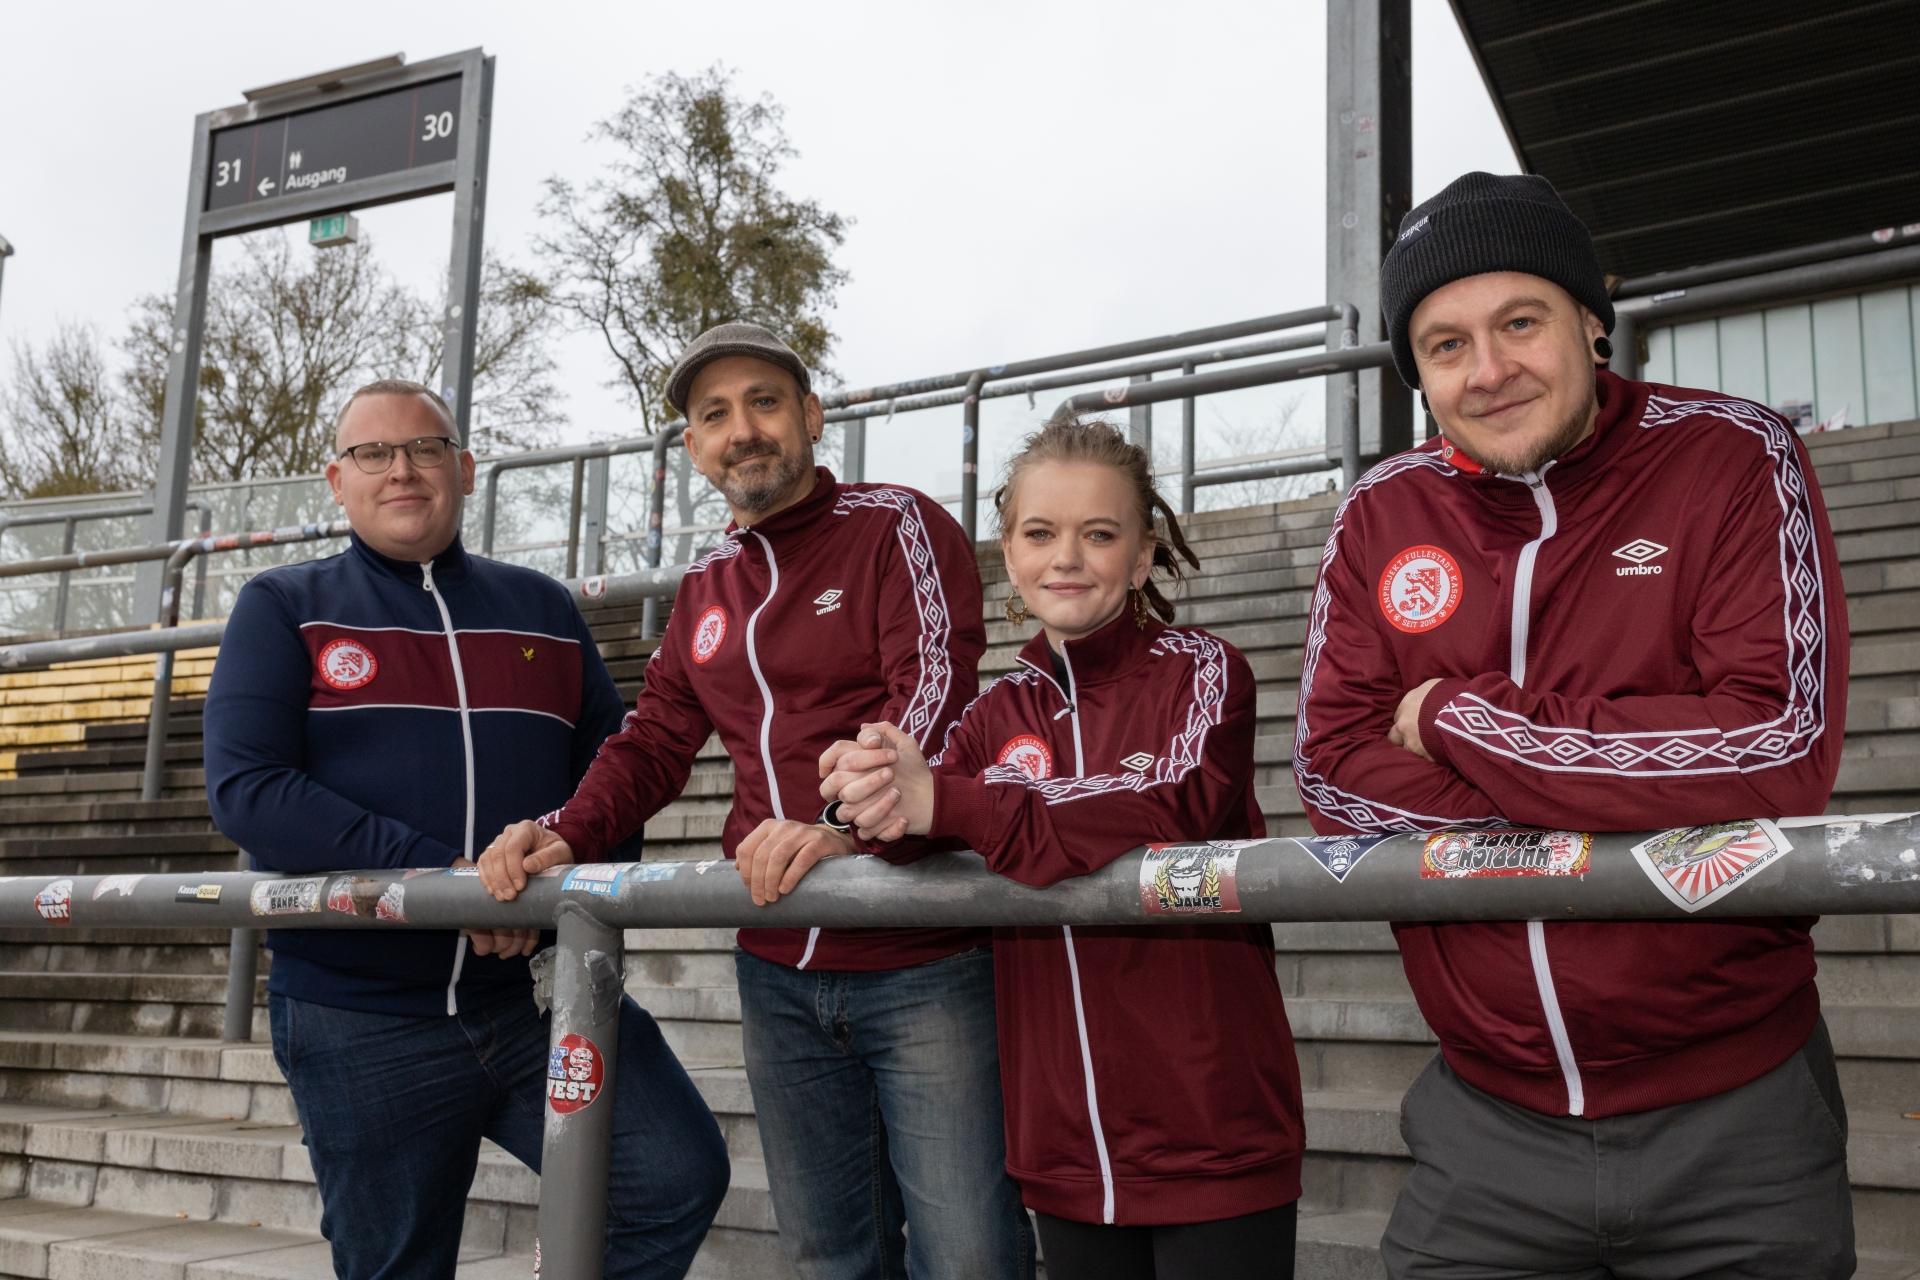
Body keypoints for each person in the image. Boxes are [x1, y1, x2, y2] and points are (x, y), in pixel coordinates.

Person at [1293, 173, 1854, 1278]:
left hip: (1738, 1116)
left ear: (1591, 318)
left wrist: (1456, 716)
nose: (1488, 369)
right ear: (1419, 374)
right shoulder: (1378, 513)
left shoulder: (1734, 454)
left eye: (1520, 322)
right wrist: (1610, 784)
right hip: (1483, 1122)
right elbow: (1333, 776)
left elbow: (1775, 745)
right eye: (1446, 344)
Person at [477, 324, 1033, 1280]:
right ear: (694, 449)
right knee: (829, 1257)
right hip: (777, 965)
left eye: (765, 402)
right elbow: (654, 739)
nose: (744, 430)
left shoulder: (895, 524)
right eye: (715, 415)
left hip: (923, 951)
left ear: (811, 416)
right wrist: (566, 833)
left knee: (969, 1258)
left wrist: (842, 826)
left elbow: (935, 693)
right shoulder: (705, 587)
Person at [203, 379, 729, 1280]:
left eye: (426, 448)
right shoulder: (284, 603)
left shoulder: (543, 609)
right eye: (373, 453)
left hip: (537, 998)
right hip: (360, 1014)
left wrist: (552, 891)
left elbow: (615, 781)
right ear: (337, 480)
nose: (402, 469)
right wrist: (447, 884)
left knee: (672, 1178)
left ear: (467, 469)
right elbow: (248, 790)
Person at [817, 416, 1306, 1280]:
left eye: (1100, 534)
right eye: (1040, 533)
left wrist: (950, 802)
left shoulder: (1206, 670)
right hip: (1064, 1147)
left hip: (1212, 1129)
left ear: (1143, 557)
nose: (1067, 557)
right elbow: (920, 827)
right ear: (1009, 556)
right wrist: (869, 794)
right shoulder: (994, 713)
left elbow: (1171, 802)